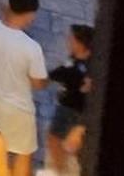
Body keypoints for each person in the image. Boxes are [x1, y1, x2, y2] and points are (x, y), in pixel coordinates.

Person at [0, 0, 47, 175]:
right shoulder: (32, 48)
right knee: (23, 154)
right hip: (18, 109)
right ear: (30, 15)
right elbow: (38, 84)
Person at [45, 23, 93, 175]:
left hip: (71, 111)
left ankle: (58, 171)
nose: (68, 40)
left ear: (80, 44)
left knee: (56, 141)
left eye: (71, 38)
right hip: (68, 107)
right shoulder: (77, 60)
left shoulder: (82, 69)